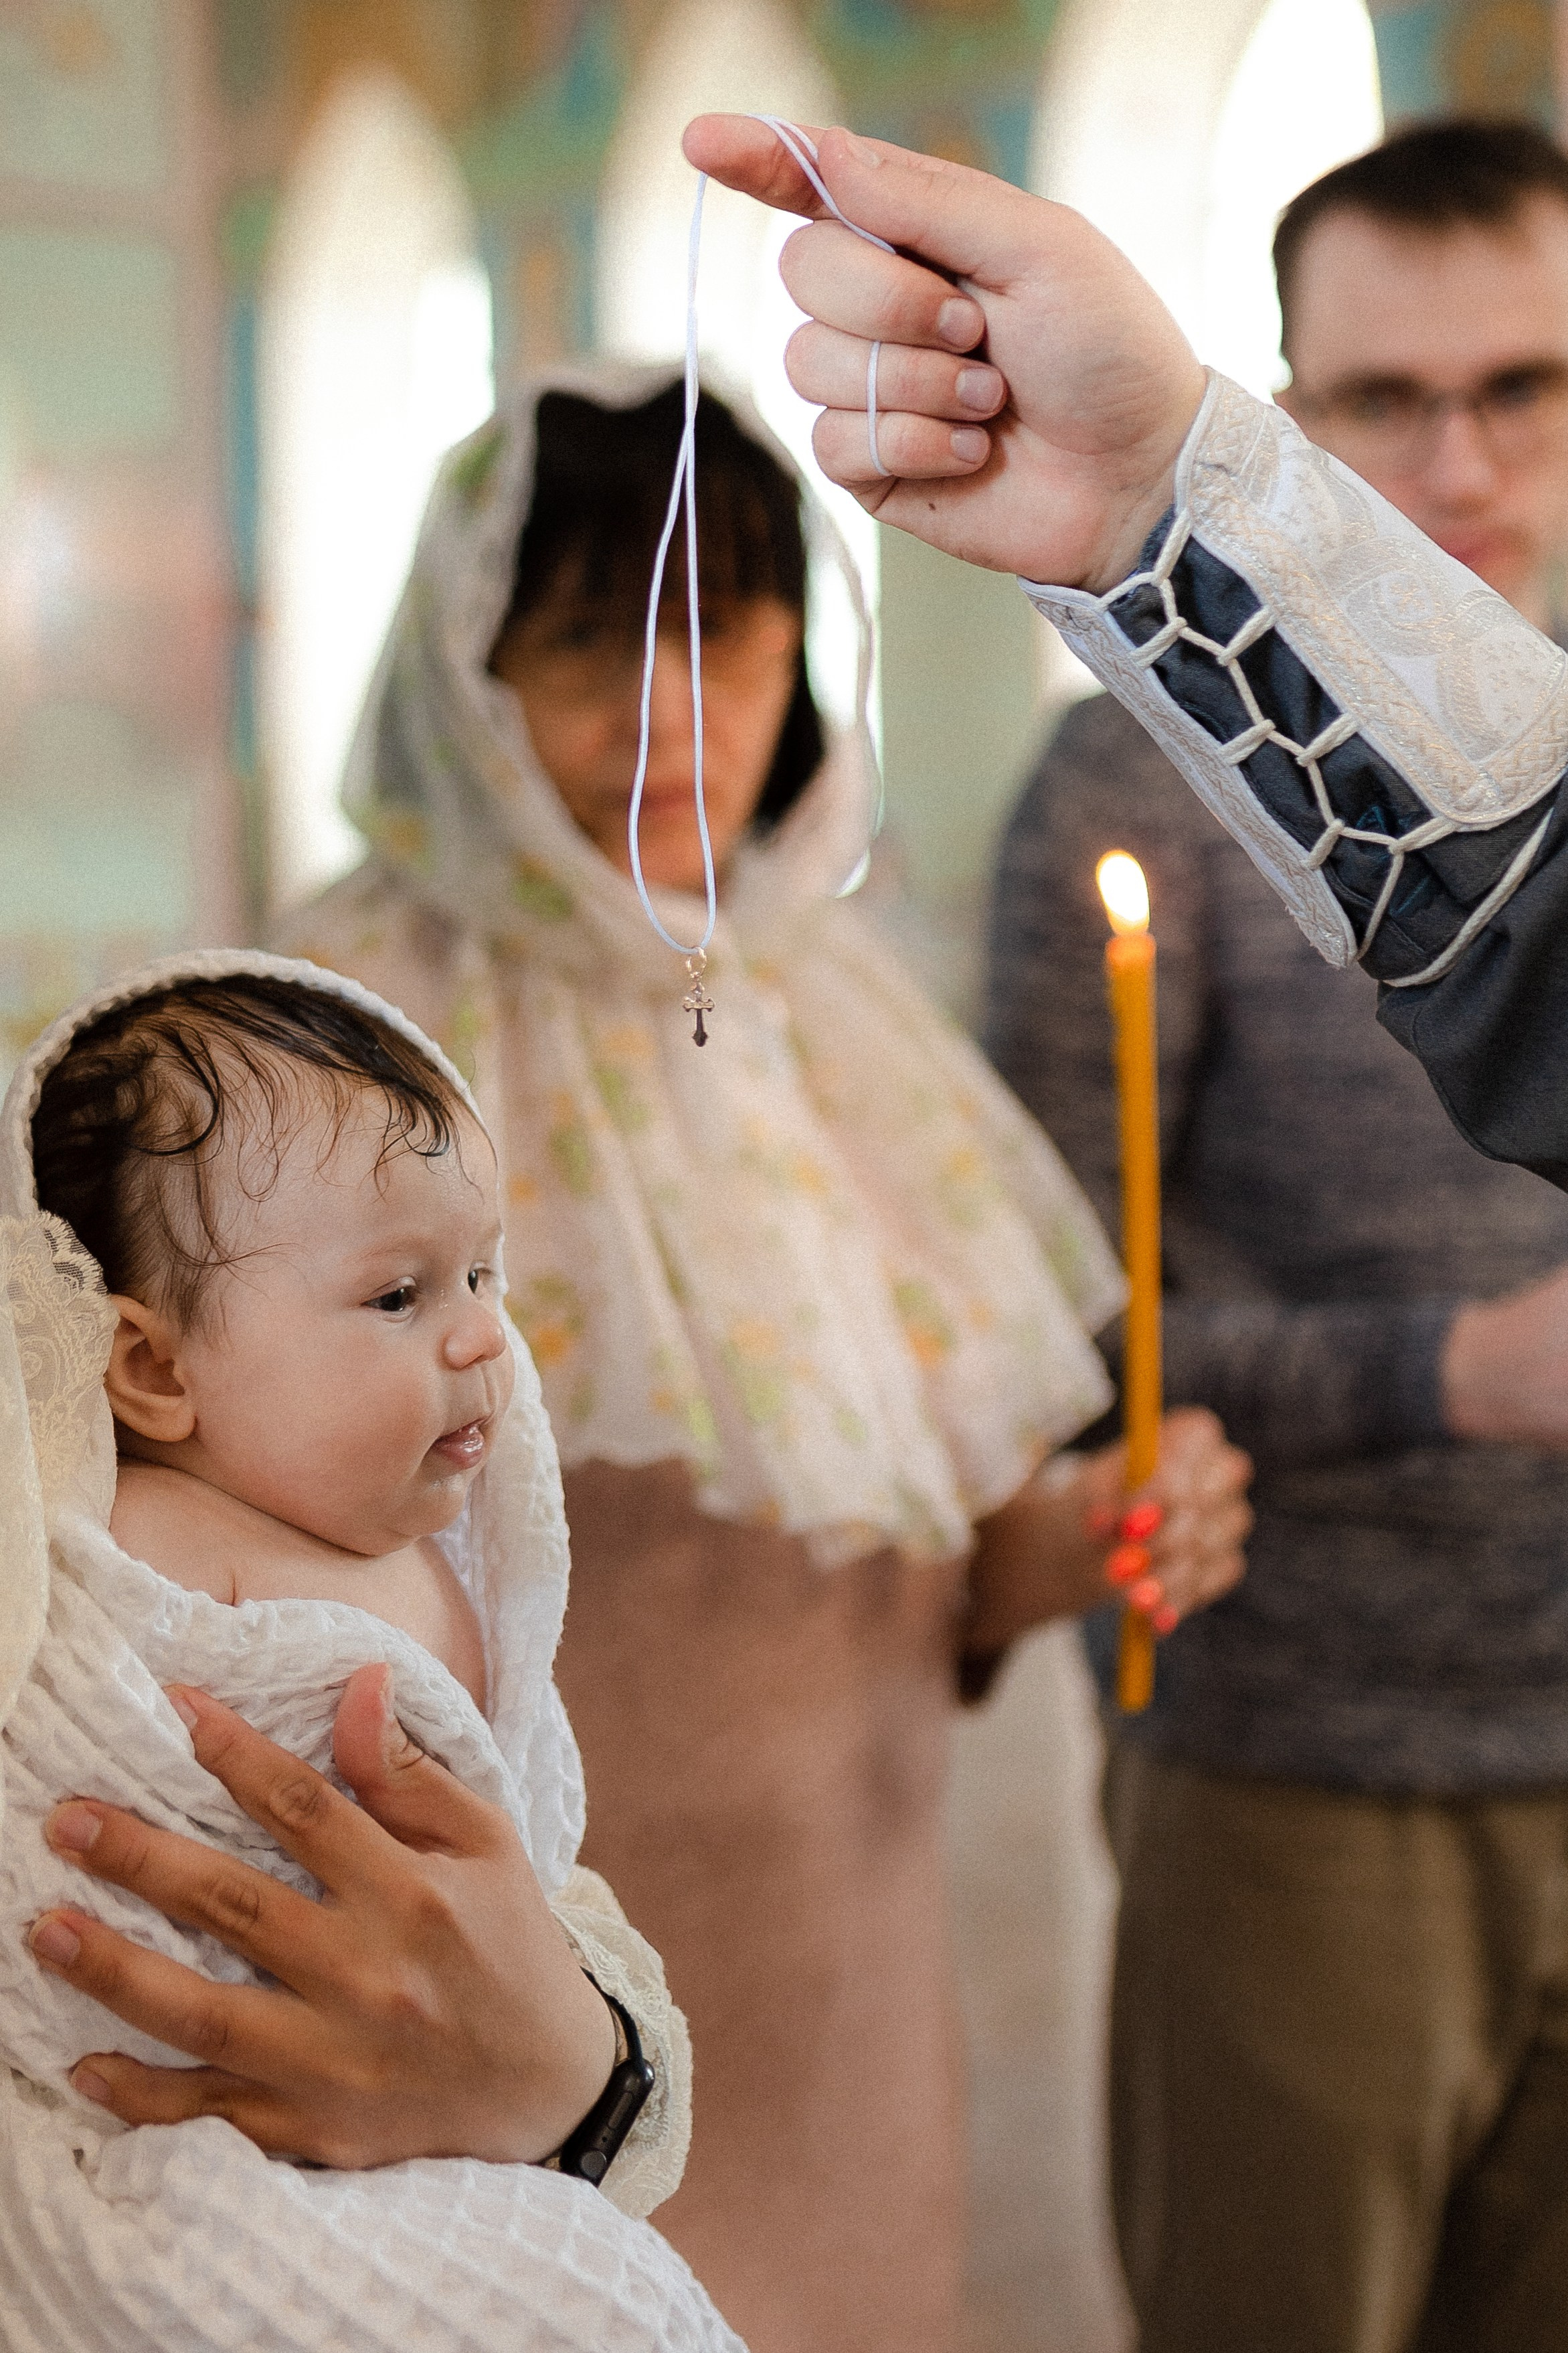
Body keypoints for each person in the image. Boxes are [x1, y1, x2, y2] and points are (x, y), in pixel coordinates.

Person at [253, 370, 1255, 2353]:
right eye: (584, 640)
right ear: (465, 664)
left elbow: (939, 1574)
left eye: (721, 631)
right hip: (473, 1979)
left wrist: (1086, 1538)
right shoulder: (326, 1041)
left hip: (839, 1970)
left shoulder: (838, 1021)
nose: (665, 706)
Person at [986, 120, 1568, 2353]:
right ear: (1289, 409)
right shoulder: (1137, 782)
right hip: (1301, 1756)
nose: (1459, 458)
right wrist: (1454, 1371)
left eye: (1521, 386)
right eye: (1385, 396)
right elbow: (1048, 1326)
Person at [3, 952, 737, 2352]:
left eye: (480, 1271)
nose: (481, 1334)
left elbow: (530, 1879)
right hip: (177, 2130)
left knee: (600, 2293)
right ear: (153, 1369)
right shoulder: (128, 1553)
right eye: (397, 1296)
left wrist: (571, 2056)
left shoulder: (437, 1570)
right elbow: (63, 1783)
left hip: (442, 2113)